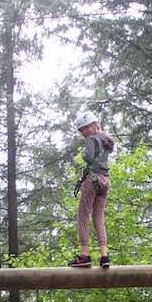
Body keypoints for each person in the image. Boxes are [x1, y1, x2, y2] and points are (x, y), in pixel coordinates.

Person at [69, 111, 114, 268]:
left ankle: (84, 255)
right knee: (99, 218)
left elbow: (88, 157)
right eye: (81, 130)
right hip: (105, 180)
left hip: (93, 179)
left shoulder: (92, 139)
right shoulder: (107, 141)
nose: (83, 133)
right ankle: (104, 255)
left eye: (84, 129)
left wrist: (83, 153)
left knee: (82, 216)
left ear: (93, 126)